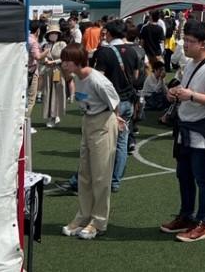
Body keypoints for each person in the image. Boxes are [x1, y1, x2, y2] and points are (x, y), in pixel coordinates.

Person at [159, 20, 205, 242]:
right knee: (184, 175)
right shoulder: (190, 63)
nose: (185, 44)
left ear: (203, 44)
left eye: (190, 41)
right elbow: (185, 88)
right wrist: (174, 93)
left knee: (202, 178)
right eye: (185, 40)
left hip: (202, 130)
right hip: (186, 126)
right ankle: (186, 215)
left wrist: (191, 96)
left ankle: (203, 222)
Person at [59, 44, 122, 240]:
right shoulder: (77, 77)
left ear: (78, 61)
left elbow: (115, 103)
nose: (64, 64)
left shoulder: (98, 81)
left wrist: (117, 121)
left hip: (102, 123)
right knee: (84, 173)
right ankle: (83, 216)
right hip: (88, 122)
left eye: (67, 60)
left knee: (101, 175)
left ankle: (98, 221)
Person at [94, 20, 142, 193]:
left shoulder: (104, 52)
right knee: (122, 141)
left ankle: (99, 176)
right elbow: (136, 76)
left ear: (110, 33)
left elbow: (99, 79)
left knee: (103, 141)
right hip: (128, 99)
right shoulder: (134, 51)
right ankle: (115, 180)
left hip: (111, 103)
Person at [40, 20, 66, 128]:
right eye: (51, 33)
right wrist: (45, 60)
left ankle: (56, 115)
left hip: (58, 71)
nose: (53, 35)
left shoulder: (62, 44)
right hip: (48, 71)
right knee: (48, 93)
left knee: (57, 93)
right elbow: (41, 57)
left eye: (55, 33)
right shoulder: (46, 45)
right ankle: (50, 116)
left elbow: (65, 57)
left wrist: (53, 62)